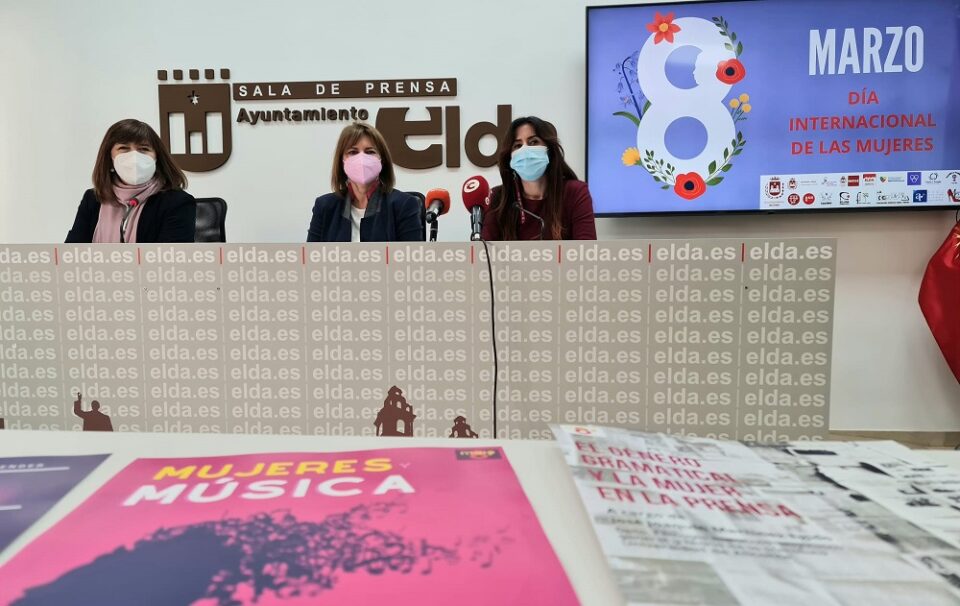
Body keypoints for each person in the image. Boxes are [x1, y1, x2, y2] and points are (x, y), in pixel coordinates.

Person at [65, 119, 196, 243]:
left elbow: (171, 256)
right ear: (109, 158)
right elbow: (71, 253)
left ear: (157, 158)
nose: (134, 156)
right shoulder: (93, 199)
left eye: (144, 149)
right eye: (124, 148)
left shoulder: (177, 202)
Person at [482, 116, 596, 241]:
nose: (525, 150)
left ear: (549, 150)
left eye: (533, 142)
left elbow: (586, 250)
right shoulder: (498, 198)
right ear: (510, 158)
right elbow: (484, 250)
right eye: (518, 145)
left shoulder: (575, 192)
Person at [307, 122, 423, 242]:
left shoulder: (404, 205)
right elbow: (311, 253)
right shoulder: (325, 206)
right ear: (342, 161)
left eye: (370, 152)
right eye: (353, 152)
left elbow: (412, 253)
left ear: (382, 160)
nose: (361, 159)